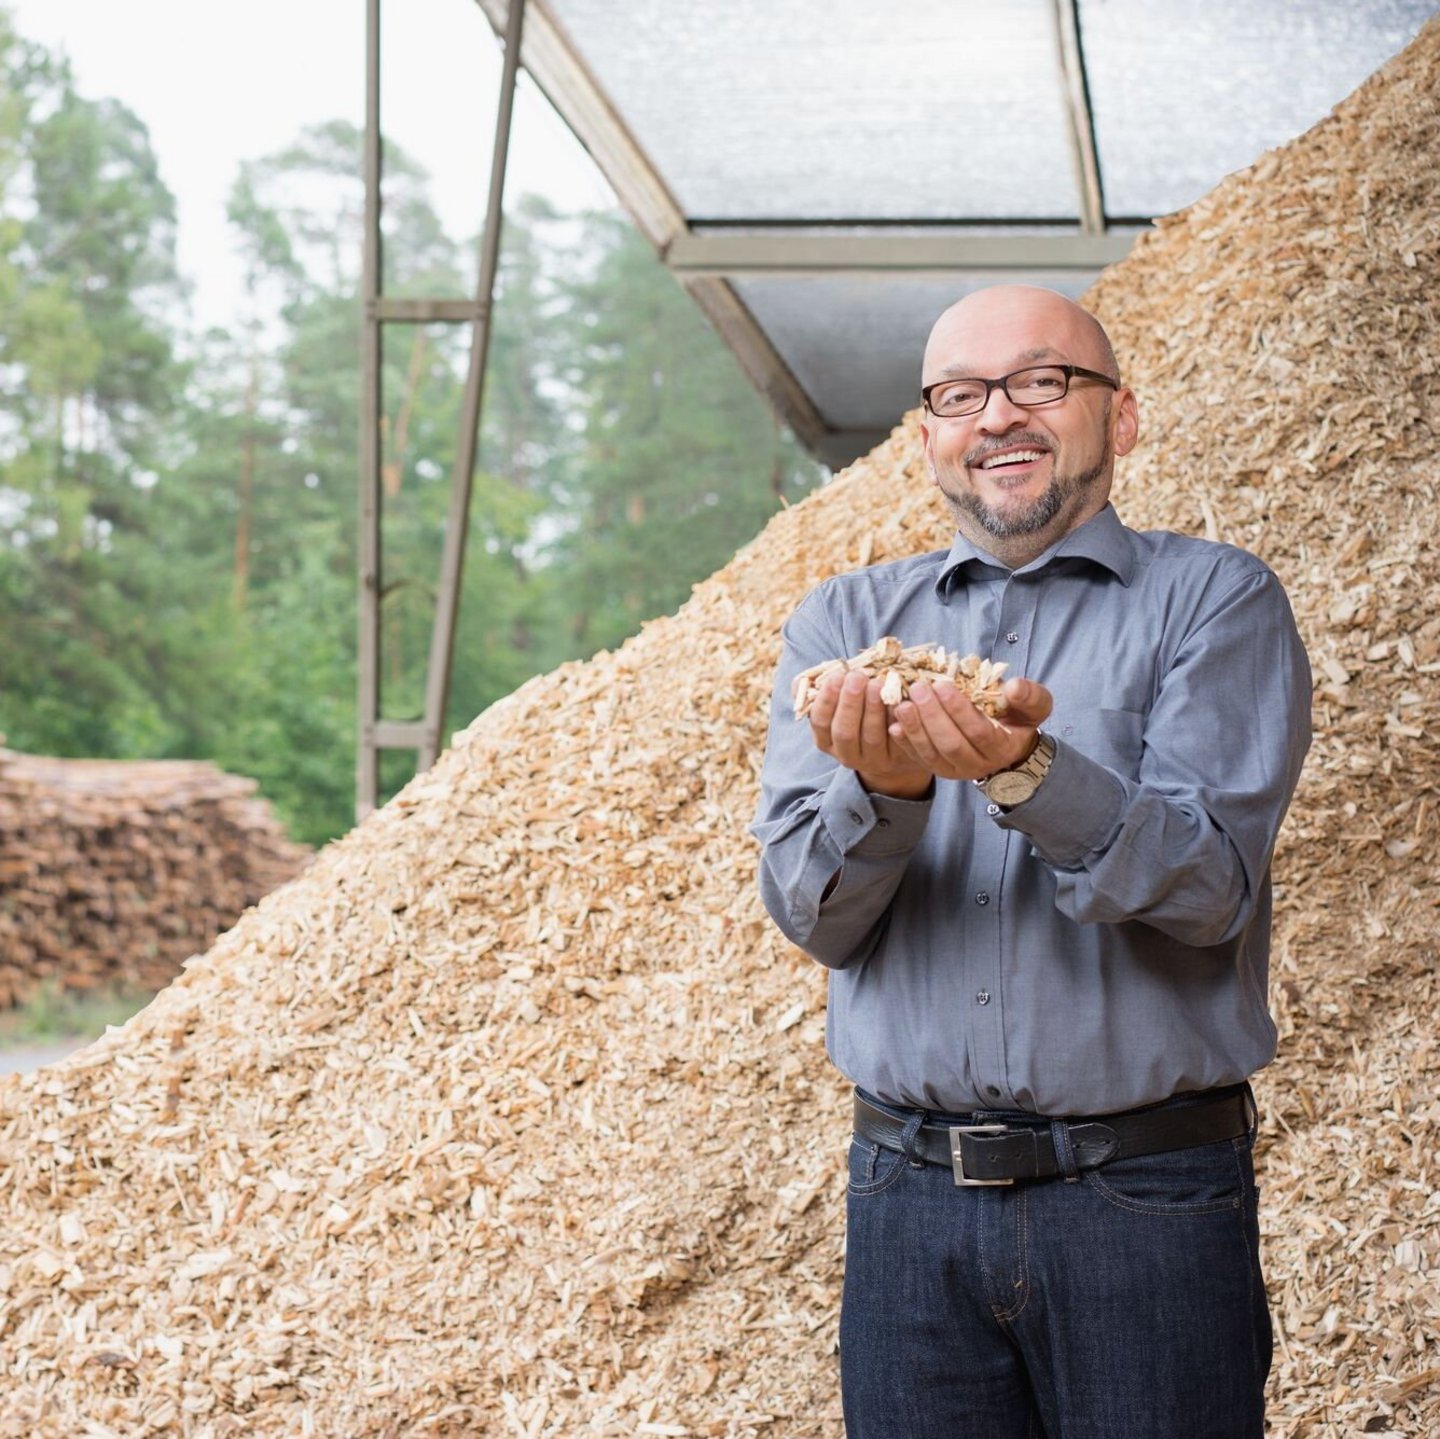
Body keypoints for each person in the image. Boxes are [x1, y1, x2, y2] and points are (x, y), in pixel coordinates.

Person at [750, 285, 1311, 1438]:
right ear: (925, 439)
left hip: (1145, 1200)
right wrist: (890, 787)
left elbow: (1208, 891)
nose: (997, 414)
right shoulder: (843, 627)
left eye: (1042, 381)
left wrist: (1027, 774)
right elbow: (812, 913)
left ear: (1124, 418)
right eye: (961, 394)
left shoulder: (1216, 600)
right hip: (905, 1200)